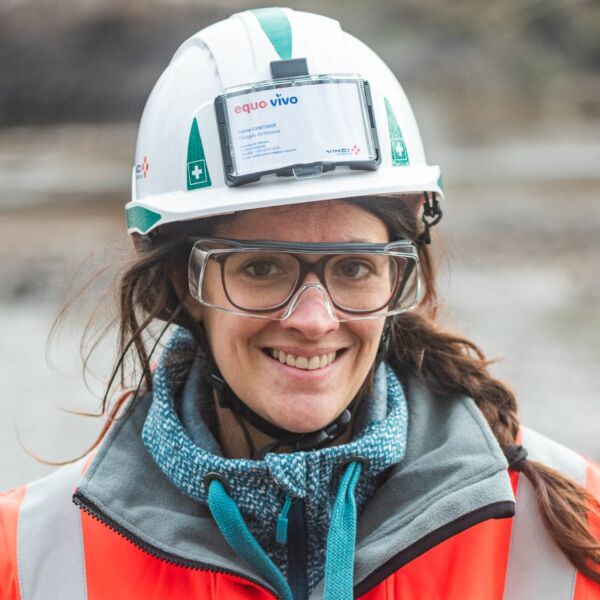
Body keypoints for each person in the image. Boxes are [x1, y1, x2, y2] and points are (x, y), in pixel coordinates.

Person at [1, 7, 598, 600]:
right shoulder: (27, 558)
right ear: (186, 284)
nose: (314, 320)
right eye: (261, 268)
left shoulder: (574, 529)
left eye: (354, 268)